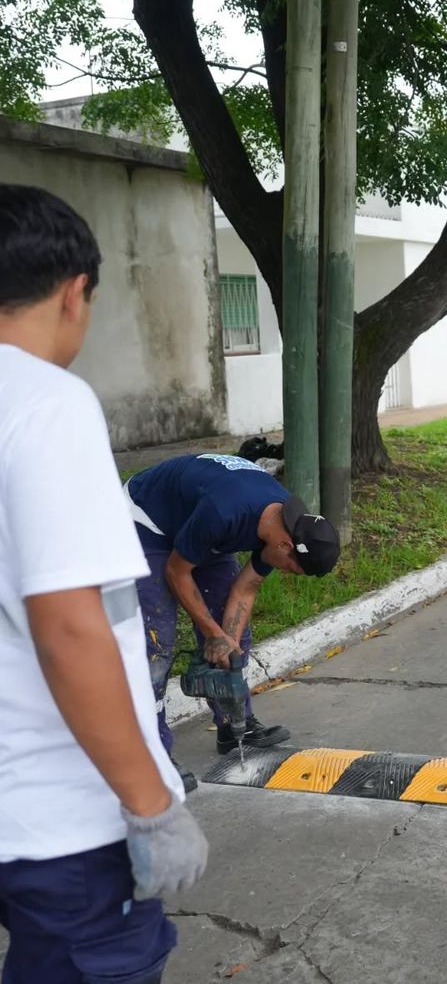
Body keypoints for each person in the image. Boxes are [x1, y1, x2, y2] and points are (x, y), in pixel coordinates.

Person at [0, 184, 208, 983]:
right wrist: (151, 807)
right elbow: (69, 626)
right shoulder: (46, 403)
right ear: (73, 292)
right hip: (62, 822)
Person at [126, 453, 341, 788]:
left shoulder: (282, 524)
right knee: (157, 643)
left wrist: (226, 642)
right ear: (285, 544)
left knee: (233, 637)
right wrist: (213, 634)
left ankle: (233, 726)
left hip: (199, 527)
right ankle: (151, 754)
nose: (286, 571)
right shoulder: (226, 512)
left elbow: (246, 588)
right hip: (148, 520)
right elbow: (176, 572)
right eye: (291, 568)